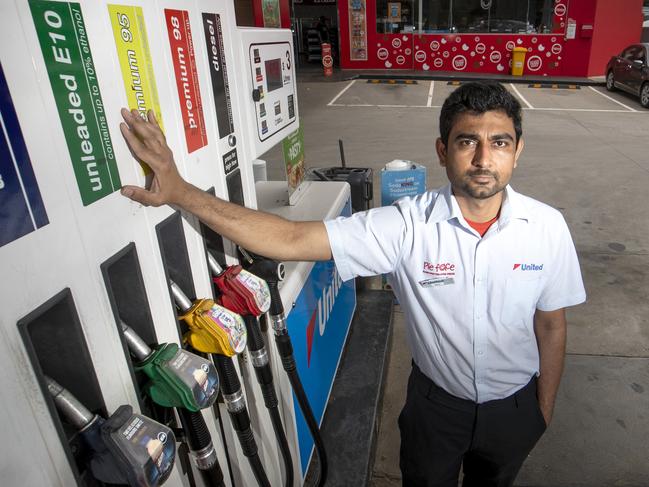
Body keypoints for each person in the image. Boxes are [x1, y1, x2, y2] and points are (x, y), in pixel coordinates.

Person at [119, 81, 586, 487]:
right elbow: (290, 237)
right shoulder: (408, 226)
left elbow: (551, 325)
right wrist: (180, 191)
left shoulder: (546, 227)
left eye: (500, 142)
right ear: (443, 150)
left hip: (516, 411)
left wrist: (540, 414)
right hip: (435, 411)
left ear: (517, 150)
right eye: (468, 141)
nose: (485, 158)